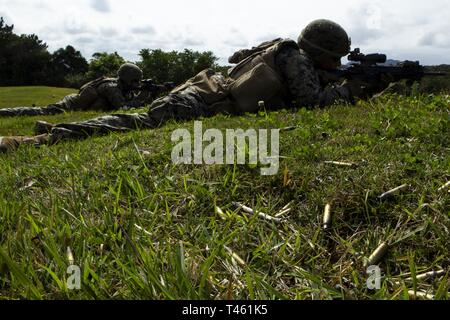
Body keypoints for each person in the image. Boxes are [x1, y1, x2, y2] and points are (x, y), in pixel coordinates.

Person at [0, 19, 388, 153]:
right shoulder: (296, 59)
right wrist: (353, 91)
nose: (336, 65)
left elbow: (241, 59)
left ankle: (53, 131)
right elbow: (313, 104)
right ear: (321, 51)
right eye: (334, 58)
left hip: (204, 90)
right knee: (137, 123)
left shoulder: (283, 50)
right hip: (201, 101)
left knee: (136, 119)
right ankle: (38, 141)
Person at [0, 63, 149, 118]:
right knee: (42, 111)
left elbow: (129, 102)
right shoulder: (111, 87)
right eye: (135, 80)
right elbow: (122, 108)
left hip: (80, 104)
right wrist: (141, 98)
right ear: (126, 77)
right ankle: (6, 112)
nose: (138, 84)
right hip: (70, 104)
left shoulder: (124, 88)